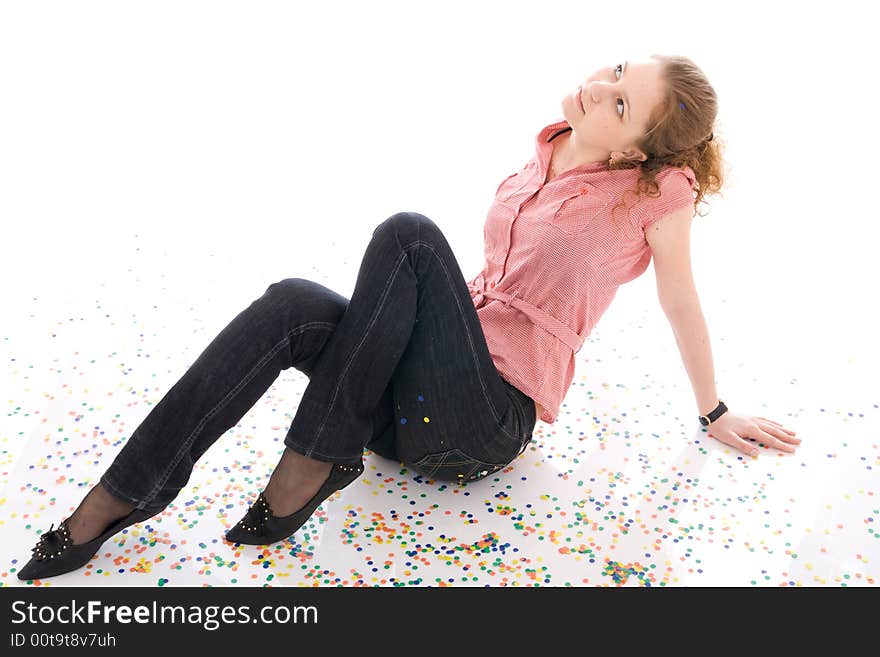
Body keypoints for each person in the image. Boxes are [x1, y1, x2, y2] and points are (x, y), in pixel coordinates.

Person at [18, 53, 800, 581]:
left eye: (622, 102)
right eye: (619, 70)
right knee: (292, 299)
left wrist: (715, 409)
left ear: (637, 152)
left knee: (409, 236)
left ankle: (311, 463)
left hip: (481, 420)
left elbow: (681, 298)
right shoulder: (550, 145)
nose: (602, 86)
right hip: (400, 399)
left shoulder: (654, 193)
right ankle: (122, 494)